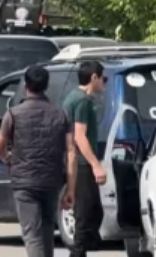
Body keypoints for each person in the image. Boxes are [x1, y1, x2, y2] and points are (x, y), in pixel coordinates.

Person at [0, 65, 72, 257]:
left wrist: (9, 160)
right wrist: (71, 187)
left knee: (32, 234)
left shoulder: (13, 114)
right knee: (46, 231)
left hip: (24, 182)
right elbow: (71, 150)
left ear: (26, 85)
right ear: (46, 86)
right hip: (51, 180)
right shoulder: (60, 114)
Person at [63, 60, 108, 257]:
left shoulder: (72, 97)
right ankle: (78, 253)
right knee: (85, 215)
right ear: (94, 78)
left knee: (94, 212)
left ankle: (85, 248)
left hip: (79, 163)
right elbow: (79, 136)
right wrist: (96, 165)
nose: (103, 83)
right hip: (82, 164)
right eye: (103, 78)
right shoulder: (82, 101)